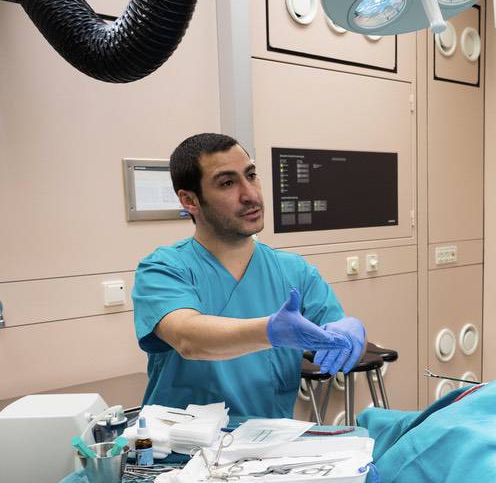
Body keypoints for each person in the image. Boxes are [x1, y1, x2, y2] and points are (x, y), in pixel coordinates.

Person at [132, 133, 366, 419]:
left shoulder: (295, 272)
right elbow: (188, 338)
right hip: (182, 442)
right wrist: (269, 332)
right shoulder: (163, 269)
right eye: (227, 183)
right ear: (190, 200)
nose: (251, 195)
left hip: (270, 441)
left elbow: (336, 330)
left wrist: (350, 331)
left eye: (251, 175)